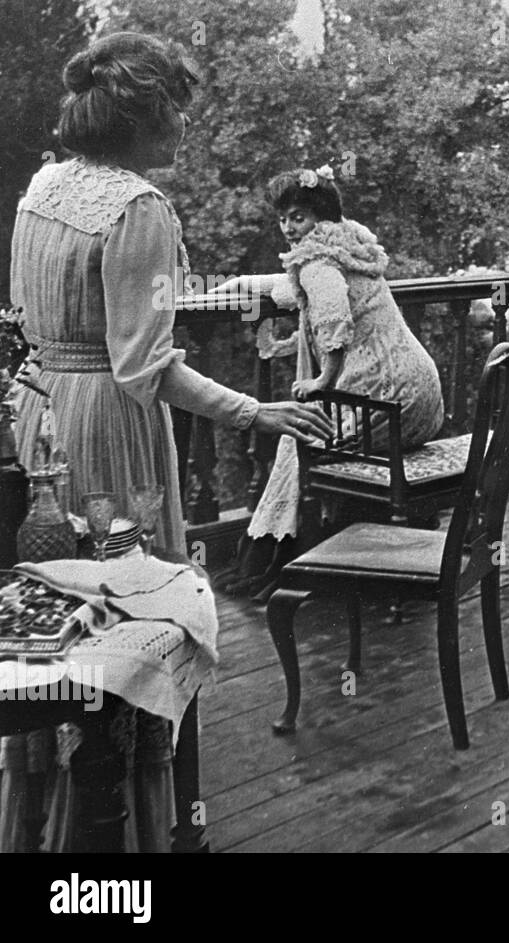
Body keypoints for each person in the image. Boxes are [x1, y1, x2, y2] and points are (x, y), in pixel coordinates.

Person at [1, 31, 331, 853]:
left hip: (42, 413)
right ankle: (126, 837)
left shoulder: (42, 187)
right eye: (177, 108)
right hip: (111, 423)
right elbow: (145, 366)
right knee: (126, 617)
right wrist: (257, 413)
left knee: (64, 619)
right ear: (142, 116)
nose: (186, 125)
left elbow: (29, 322)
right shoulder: (138, 208)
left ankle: (45, 822)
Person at [215, 167, 445, 595]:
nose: (288, 227)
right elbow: (289, 287)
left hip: (386, 394)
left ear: (320, 219)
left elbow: (332, 314)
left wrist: (325, 377)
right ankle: (294, 554)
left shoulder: (318, 263)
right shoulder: (348, 245)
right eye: (283, 218)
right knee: (305, 431)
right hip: (419, 393)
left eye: (298, 218)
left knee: (298, 432)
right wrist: (231, 287)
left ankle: (280, 561)